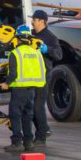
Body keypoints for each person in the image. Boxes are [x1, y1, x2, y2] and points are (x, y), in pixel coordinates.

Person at [0, 26, 47, 153]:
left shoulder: (15, 53)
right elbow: (43, 70)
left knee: (15, 116)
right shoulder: (36, 52)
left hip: (19, 90)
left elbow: (13, 74)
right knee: (27, 116)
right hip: (32, 90)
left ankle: (16, 143)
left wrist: (6, 84)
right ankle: (28, 142)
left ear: (18, 38)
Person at [30, 10, 62, 146]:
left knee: (38, 106)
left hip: (43, 75)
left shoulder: (50, 37)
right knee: (30, 106)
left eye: (35, 20)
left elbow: (58, 55)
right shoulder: (31, 35)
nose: (33, 22)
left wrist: (46, 49)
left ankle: (41, 137)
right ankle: (44, 129)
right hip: (30, 75)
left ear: (42, 21)